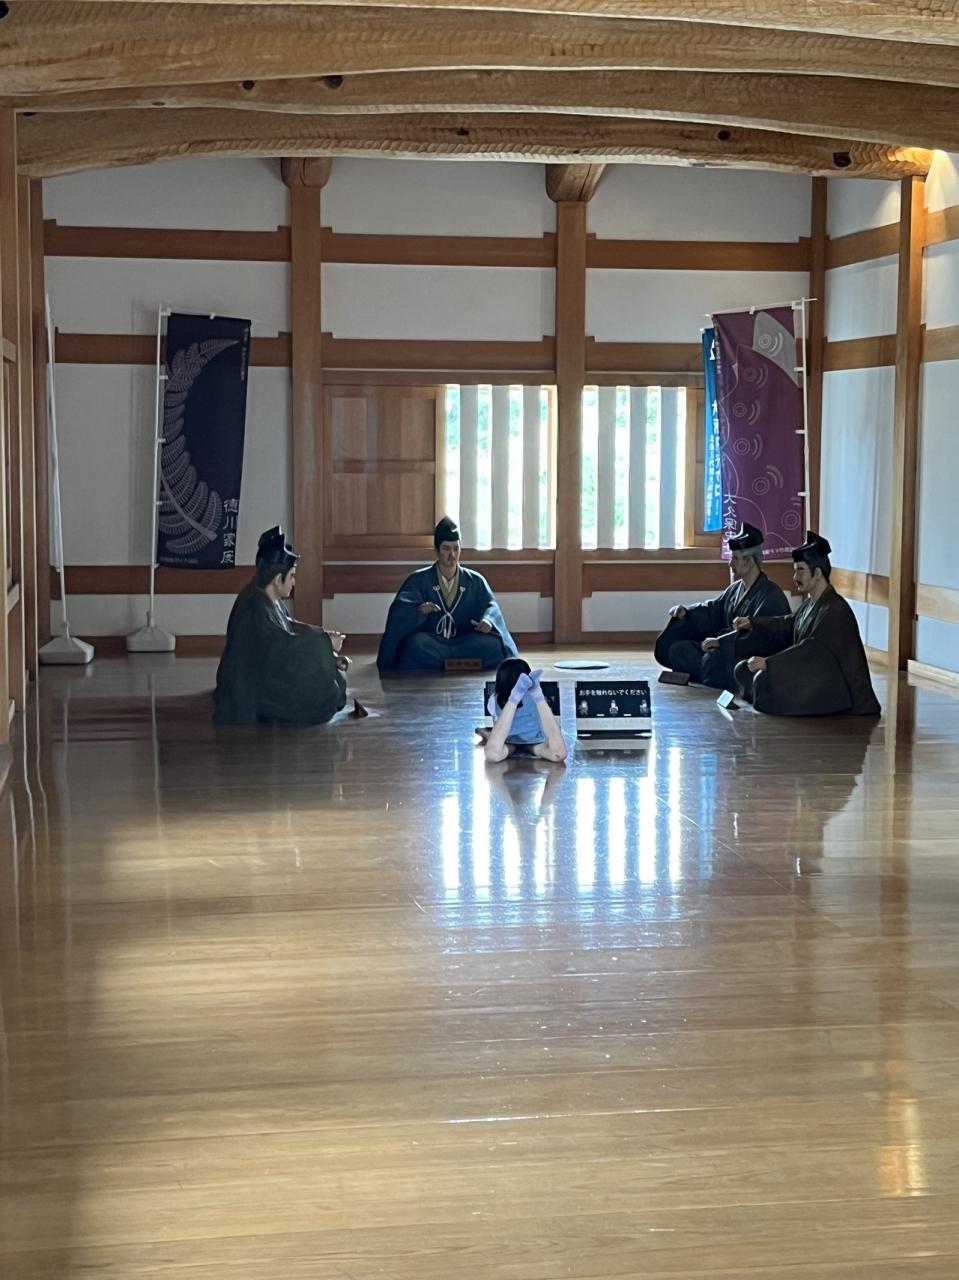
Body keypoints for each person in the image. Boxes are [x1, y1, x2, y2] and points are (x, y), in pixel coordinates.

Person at [733, 531, 881, 717]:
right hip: (812, 674)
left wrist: (769, 663)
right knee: (743, 669)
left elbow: (810, 650)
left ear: (817, 573)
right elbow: (788, 623)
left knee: (763, 681)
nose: (795, 577)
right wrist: (753, 623)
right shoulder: (811, 604)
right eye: (795, 570)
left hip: (838, 688)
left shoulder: (836, 610)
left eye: (800, 570)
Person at [213, 526, 349, 725]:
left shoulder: (266, 597)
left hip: (267, 672)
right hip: (253, 687)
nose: (294, 582)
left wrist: (325, 641)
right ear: (278, 579)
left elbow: (289, 627)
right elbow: (278, 648)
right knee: (324, 693)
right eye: (292, 576)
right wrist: (324, 644)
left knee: (334, 676)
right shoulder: (254, 607)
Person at [653, 522, 791, 690]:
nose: (730, 564)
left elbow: (762, 635)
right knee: (679, 649)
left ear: (748, 562)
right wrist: (687, 612)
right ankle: (707, 673)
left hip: (742, 657)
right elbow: (713, 609)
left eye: (735, 558)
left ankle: (708, 673)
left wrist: (722, 642)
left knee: (713, 659)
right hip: (720, 651)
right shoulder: (735, 588)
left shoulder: (771, 595)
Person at [377, 517, 518, 670]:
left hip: (465, 641)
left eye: (456, 549)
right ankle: (464, 663)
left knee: (493, 645)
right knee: (415, 644)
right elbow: (401, 608)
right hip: (433, 642)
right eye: (446, 549)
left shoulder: (475, 580)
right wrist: (418, 610)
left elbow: (491, 605)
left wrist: (488, 620)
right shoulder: (419, 579)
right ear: (436, 550)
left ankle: (441, 663)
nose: (452, 555)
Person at [483, 658, 567, 763]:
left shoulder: (495, 699)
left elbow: (497, 729)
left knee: (492, 752)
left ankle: (518, 696)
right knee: (559, 753)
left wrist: (517, 700)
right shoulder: (495, 699)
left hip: (532, 743)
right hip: (513, 744)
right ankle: (524, 694)